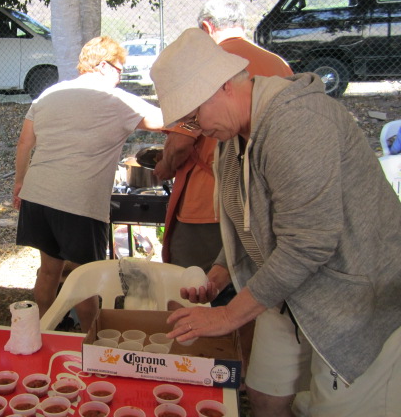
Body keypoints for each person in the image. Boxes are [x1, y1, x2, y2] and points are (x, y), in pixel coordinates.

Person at [151, 28, 401, 417]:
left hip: (352, 295)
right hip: (289, 289)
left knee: (335, 408)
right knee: (265, 395)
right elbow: (247, 220)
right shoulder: (235, 136)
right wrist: (220, 271)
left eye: (195, 114)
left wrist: (227, 315)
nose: (196, 128)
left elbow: (309, 244)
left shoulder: (297, 121)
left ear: (223, 88)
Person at [13, 36, 164, 332]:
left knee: (48, 272)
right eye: (120, 70)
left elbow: (24, 143)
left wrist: (19, 181)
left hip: (38, 197)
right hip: (78, 203)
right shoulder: (115, 97)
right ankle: (90, 340)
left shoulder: (48, 94)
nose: (120, 78)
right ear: (104, 66)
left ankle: (43, 332)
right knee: (86, 278)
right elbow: (165, 120)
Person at [154, 0, 292, 276]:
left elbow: (180, 143)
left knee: (189, 285)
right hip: (263, 207)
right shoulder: (279, 63)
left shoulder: (203, 68)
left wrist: (164, 166)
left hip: (207, 208)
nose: (202, 126)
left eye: (196, 115)